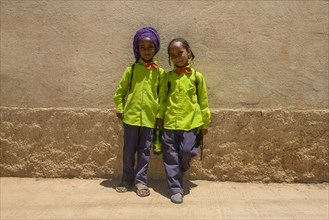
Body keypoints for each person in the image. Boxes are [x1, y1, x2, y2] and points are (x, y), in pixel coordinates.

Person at [157, 38, 210, 204]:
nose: (177, 57)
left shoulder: (196, 77)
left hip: (191, 123)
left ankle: (182, 168)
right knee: (170, 156)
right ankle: (175, 189)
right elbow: (163, 99)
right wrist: (160, 117)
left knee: (188, 151)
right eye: (172, 55)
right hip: (170, 123)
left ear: (188, 51)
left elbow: (203, 100)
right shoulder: (169, 77)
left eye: (180, 53)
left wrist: (205, 123)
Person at [113, 26, 165, 197]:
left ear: (155, 48)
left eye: (150, 47)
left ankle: (140, 181)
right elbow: (120, 92)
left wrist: (159, 116)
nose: (147, 51)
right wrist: (120, 108)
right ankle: (126, 178)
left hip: (149, 119)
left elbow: (162, 97)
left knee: (144, 150)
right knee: (128, 150)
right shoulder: (132, 70)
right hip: (131, 118)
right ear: (137, 48)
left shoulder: (160, 73)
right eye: (142, 47)